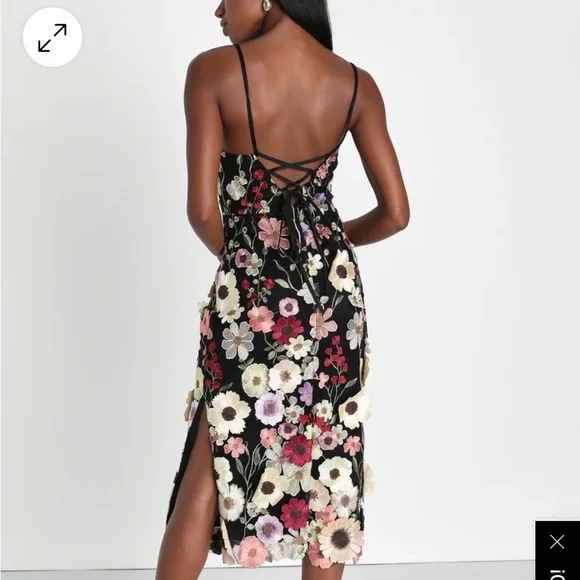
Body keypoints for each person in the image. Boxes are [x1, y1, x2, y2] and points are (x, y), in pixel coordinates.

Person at [155, 1, 409, 578]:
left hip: (250, 292)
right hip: (334, 298)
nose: (218, 9)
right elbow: (396, 214)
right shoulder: (355, 84)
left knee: (215, 450)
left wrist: (255, 267)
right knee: (330, 456)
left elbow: (202, 212)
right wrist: (319, 248)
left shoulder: (212, 71)